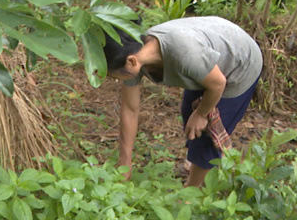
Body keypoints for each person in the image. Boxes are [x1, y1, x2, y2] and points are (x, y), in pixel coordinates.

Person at [103, 16, 262, 186]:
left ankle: (192, 190)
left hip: (240, 63)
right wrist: (125, 162)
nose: (115, 79)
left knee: (205, 132)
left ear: (131, 62)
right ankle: (196, 163)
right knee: (189, 114)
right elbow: (129, 108)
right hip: (208, 58)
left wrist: (202, 113)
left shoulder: (183, 52)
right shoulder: (135, 51)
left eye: (113, 76)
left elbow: (218, 83)